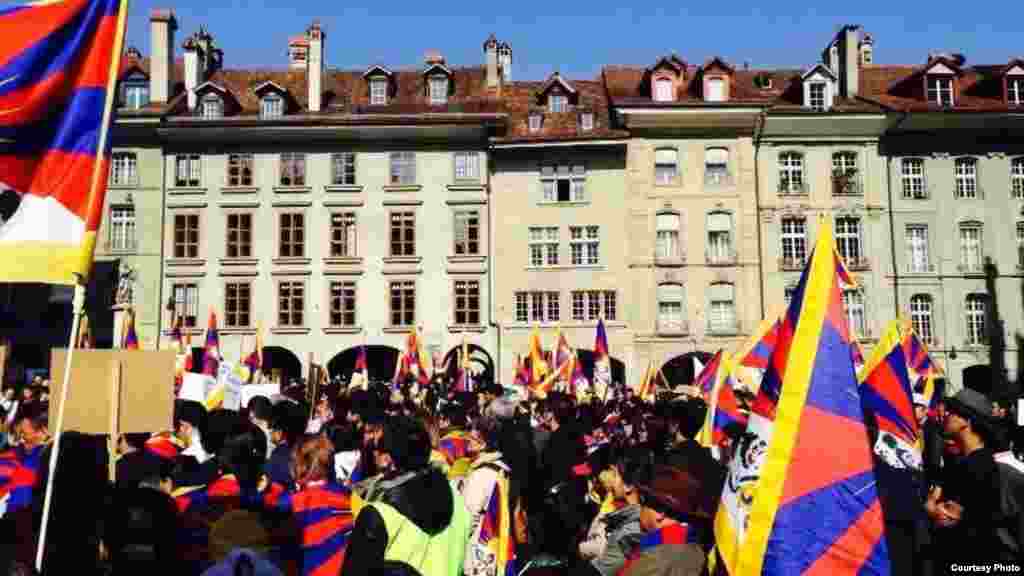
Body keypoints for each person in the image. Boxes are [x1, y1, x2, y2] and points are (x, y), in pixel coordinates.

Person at [340, 416, 471, 576]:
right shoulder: (458, 500)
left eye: (376, 447)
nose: (372, 452)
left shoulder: (378, 515)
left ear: (386, 459)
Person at [927, 389, 1012, 564]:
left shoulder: (979, 466)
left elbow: (951, 518)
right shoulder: (961, 463)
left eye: (951, 412)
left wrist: (935, 509)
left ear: (966, 421)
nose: (945, 415)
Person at [258, 435, 358, 576]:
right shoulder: (346, 495)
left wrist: (266, 490)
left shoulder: (300, 502)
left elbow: (273, 506)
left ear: (299, 466)